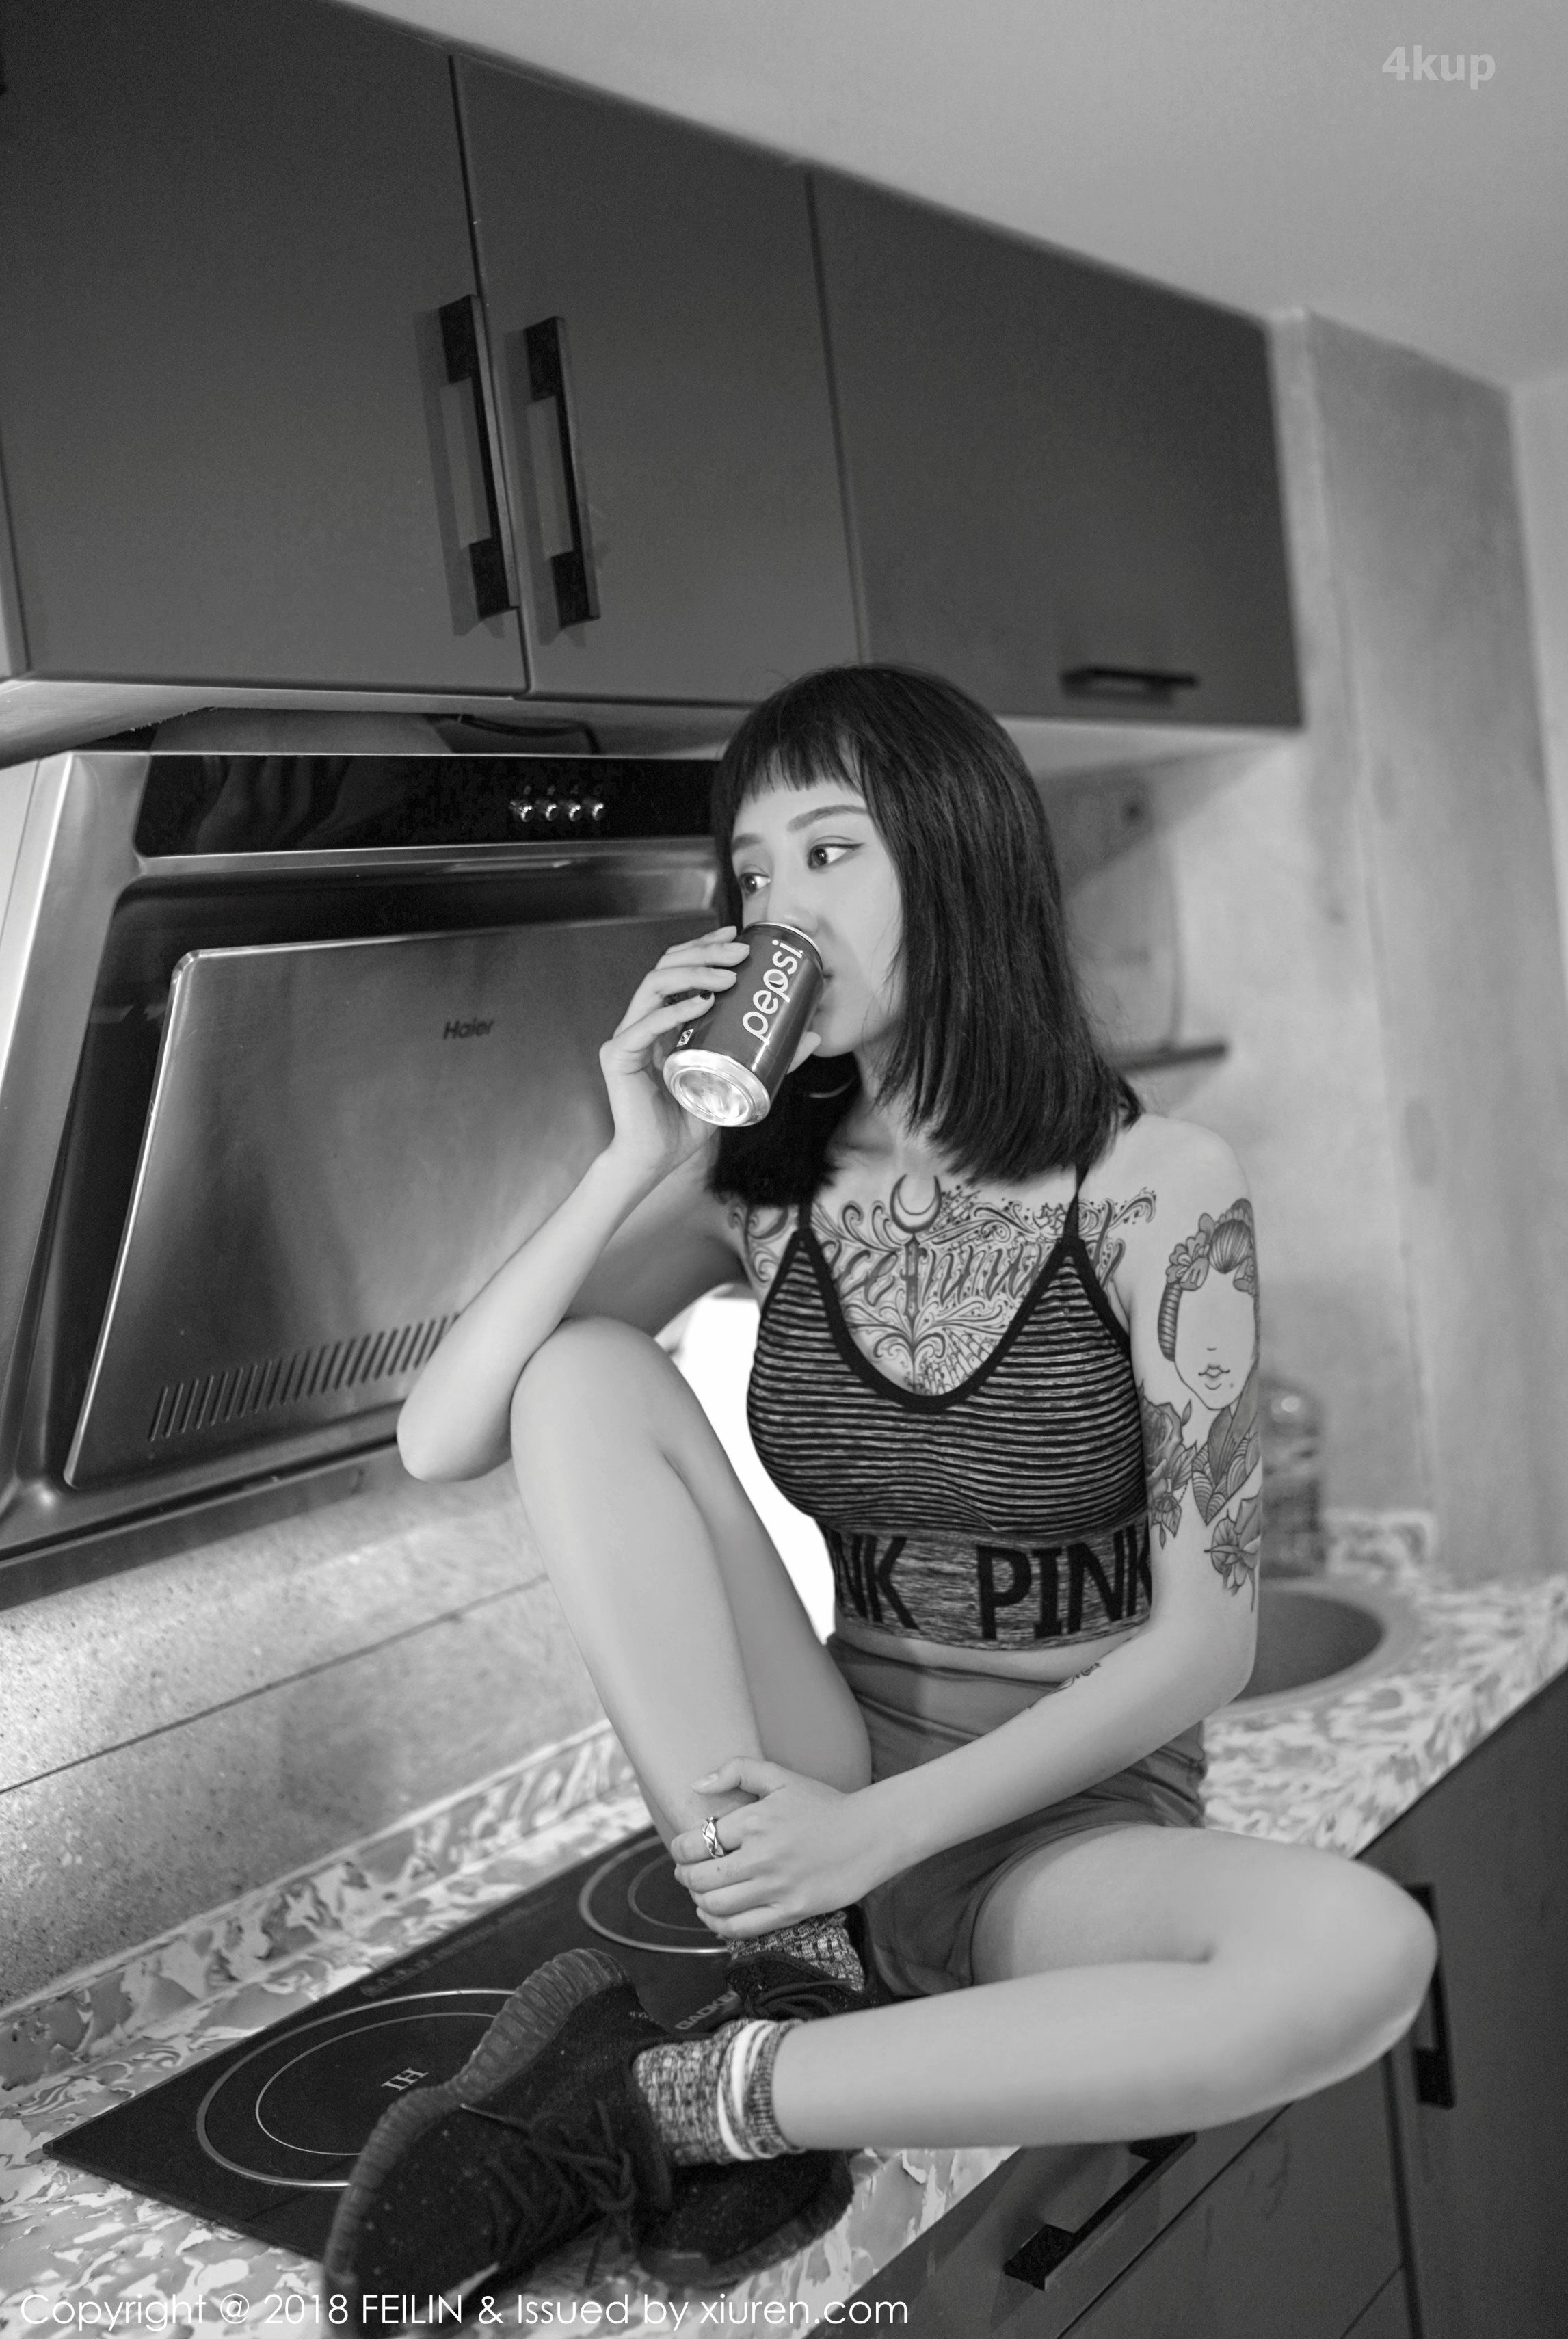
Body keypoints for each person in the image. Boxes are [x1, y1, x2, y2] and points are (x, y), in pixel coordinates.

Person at [323, 665, 1436, 2319]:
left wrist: (873, 1837)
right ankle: (796, 1985)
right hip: (814, 1805)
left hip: (1064, 1833)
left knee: (1360, 1956)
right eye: (751, 872)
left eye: (831, 852)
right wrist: (631, 1152)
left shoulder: (1157, 1193)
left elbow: (1201, 1649)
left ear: (958, 860)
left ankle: (669, 2098)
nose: (778, 906)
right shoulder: (762, 1195)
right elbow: (446, 1434)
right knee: (580, 1372)